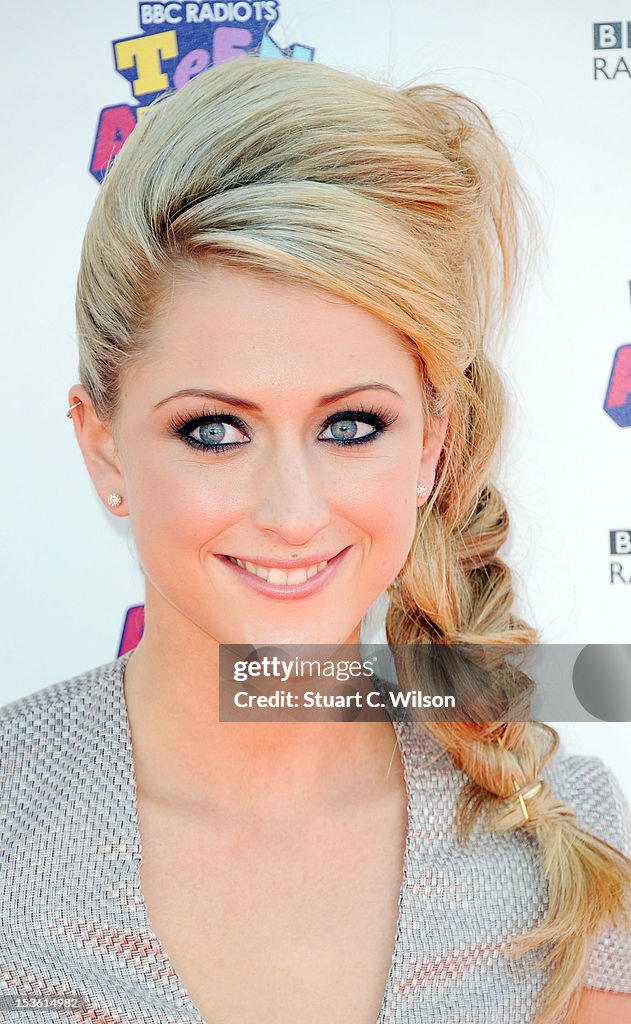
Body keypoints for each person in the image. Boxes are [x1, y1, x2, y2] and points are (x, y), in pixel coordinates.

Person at [1, 53, 630, 1024]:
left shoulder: (562, 841)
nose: (292, 512)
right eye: (214, 429)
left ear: (431, 443)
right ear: (102, 449)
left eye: (351, 426)